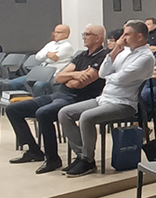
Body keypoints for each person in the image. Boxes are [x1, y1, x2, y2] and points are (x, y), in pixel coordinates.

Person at [59, 20, 156, 177]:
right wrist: (114, 51)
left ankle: (87, 160)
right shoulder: (123, 52)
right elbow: (103, 73)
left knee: (86, 117)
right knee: (65, 113)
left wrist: (111, 76)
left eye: (127, 34)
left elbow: (121, 79)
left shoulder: (146, 57)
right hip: (104, 99)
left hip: (124, 103)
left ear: (139, 37)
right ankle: (82, 155)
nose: (122, 38)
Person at [7, 24, 108, 174]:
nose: (84, 37)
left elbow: (81, 83)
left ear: (98, 38)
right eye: (84, 34)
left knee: (43, 113)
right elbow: (59, 77)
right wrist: (75, 74)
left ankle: (52, 158)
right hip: (59, 95)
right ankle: (33, 150)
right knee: (13, 109)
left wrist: (71, 78)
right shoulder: (82, 55)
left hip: (77, 99)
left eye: (87, 34)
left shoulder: (103, 56)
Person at [5, 24, 75, 95]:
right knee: (12, 84)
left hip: (52, 75)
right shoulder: (51, 44)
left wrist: (45, 56)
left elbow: (51, 59)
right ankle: (30, 96)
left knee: (38, 86)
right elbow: (38, 56)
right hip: (40, 72)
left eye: (58, 32)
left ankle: (38, 100)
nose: (55, 34)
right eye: (55, 32)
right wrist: (47, 54)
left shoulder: (67, 46)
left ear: (66, 34)